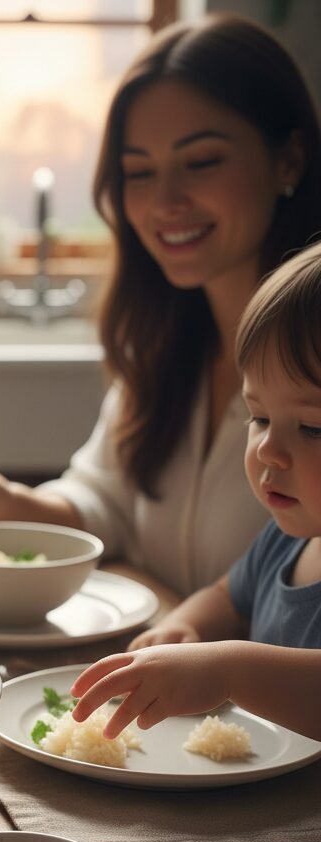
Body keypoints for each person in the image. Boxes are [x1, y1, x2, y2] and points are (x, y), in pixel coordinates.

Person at [0, 14, 321, 597]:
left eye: (201, 162)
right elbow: (107, 503)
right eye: (139, 173)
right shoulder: (161, 343)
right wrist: (10, 503)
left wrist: (168, 610)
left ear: (289, 160)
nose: (165, 201)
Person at [69, 240, 321, 742]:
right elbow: (228, 595)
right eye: (260, 417)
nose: (269, 449)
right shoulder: (287, 540)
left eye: (313, 427)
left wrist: (227, 670)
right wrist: (185, 628)